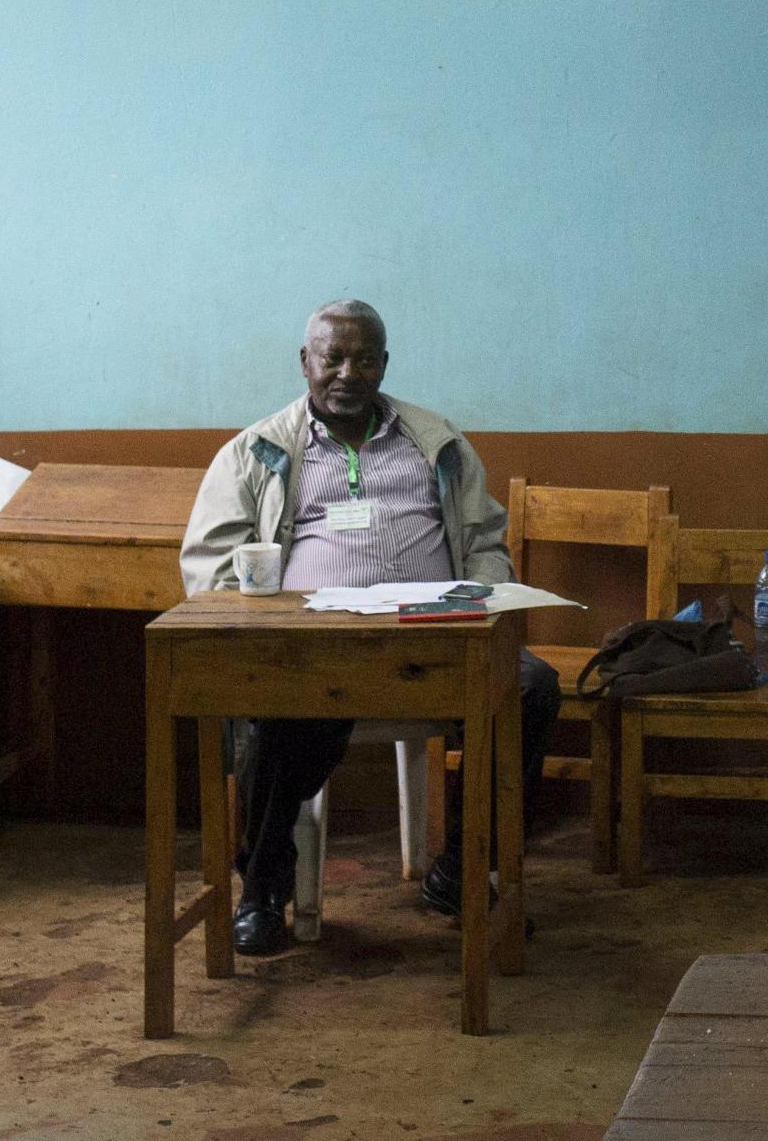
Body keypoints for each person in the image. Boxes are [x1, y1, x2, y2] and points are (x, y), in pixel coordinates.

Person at [179, 298, 562, 957]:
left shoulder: (435, 441)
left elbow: (483, 537)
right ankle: (265, 890)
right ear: (306, 362)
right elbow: (210, 565)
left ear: (384, 363)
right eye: (333, 357)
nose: (347, 372)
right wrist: (273, 619)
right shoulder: (258, 451)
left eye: (364, 358)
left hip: (436, 642)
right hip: (314, 647)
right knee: (277, 711)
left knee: (530, 687)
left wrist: (483, 601)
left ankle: (463, 871)